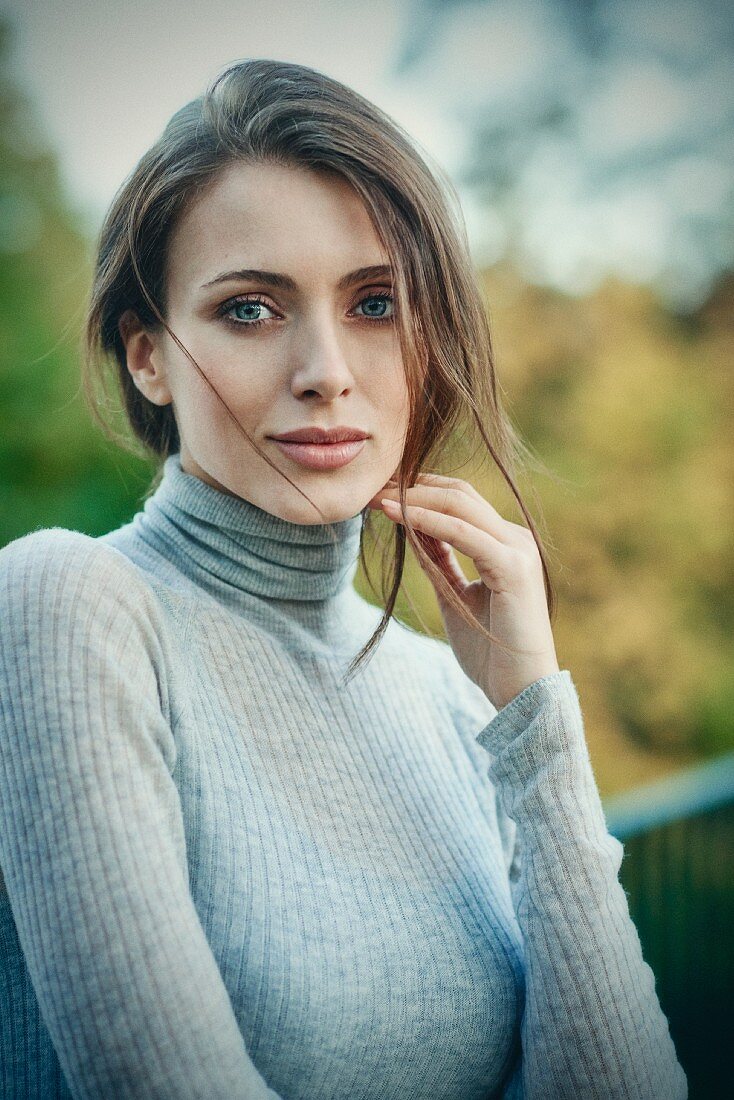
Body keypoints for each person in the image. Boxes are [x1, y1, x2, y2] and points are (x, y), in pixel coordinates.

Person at [0, 58, 687, 1100]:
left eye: (374, 302)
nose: (325, 368)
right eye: (248, 309)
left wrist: (534, 719)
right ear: (147, 355)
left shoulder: (447, 692)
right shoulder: (69, 605)